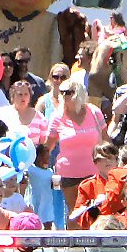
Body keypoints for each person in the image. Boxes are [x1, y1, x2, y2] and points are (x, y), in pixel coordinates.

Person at [43, 76, 106, 213]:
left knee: (97, 211)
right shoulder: (57, 116)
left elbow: (106, 141)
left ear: (79, 92)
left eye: (69, 92)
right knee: (75, 212)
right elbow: (48, 146)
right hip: (69, 173)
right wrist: (41, 168)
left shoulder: (94, 112)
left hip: (95, 171)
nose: (64, 95)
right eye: (62, 92)